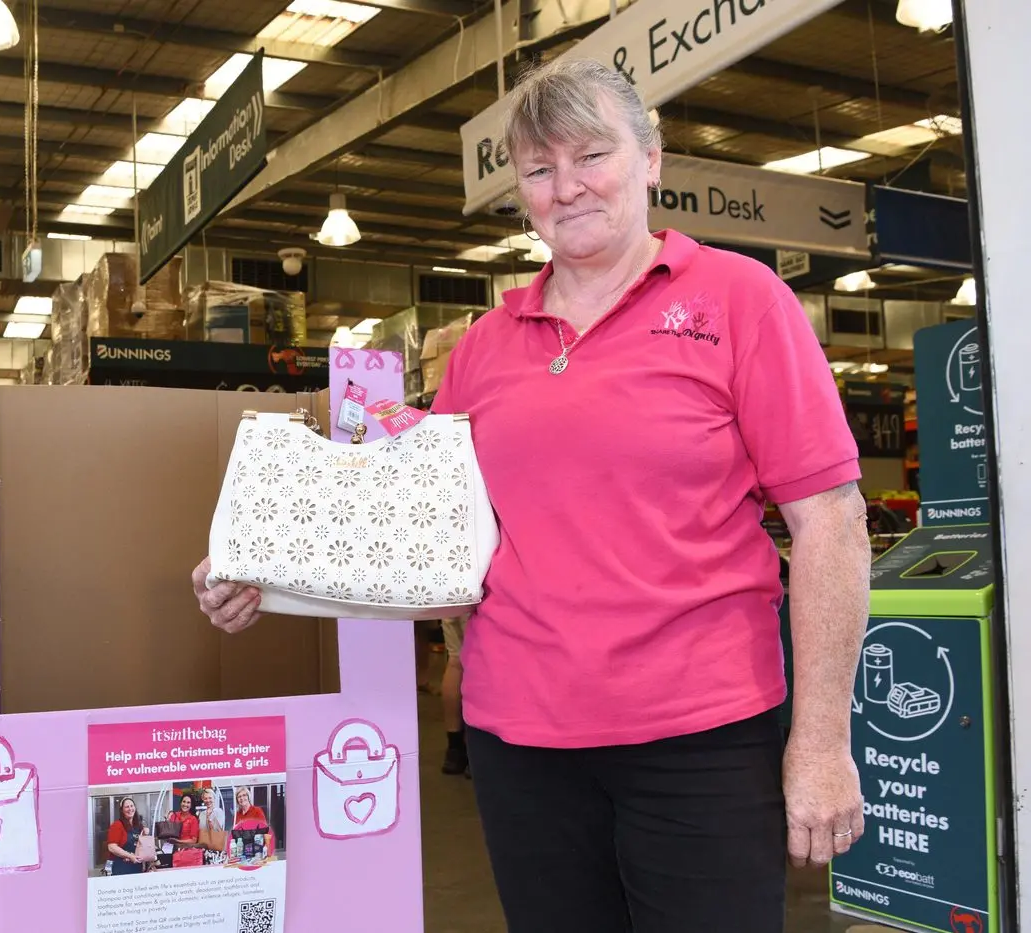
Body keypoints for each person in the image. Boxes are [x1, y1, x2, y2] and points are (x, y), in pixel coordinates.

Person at [192, 55, 871, 932]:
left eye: (592, 156)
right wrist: (264, 571)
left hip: (700, 736)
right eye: (540, 169)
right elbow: (429, 555)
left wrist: (821, 740)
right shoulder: (484, 346)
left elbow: (832, 523)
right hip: (520, 742)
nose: (568, 187)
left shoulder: (740, 301)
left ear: (651, 159)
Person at [439, 616, 470, 776]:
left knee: (455, 661)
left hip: (452, 602)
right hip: (482, 604)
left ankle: (454, 751)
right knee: (480, 663)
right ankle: (475, 751)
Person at [105, 796, 148, 876]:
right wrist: (130, 856)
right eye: (127, 807)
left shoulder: (138, 826)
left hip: (137, 868)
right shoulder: (117, 825)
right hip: (121, 868)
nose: (130, 809)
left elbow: (142, 847)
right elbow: (111, 847)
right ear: (122, 810)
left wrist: (145, 834)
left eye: (132, 806)